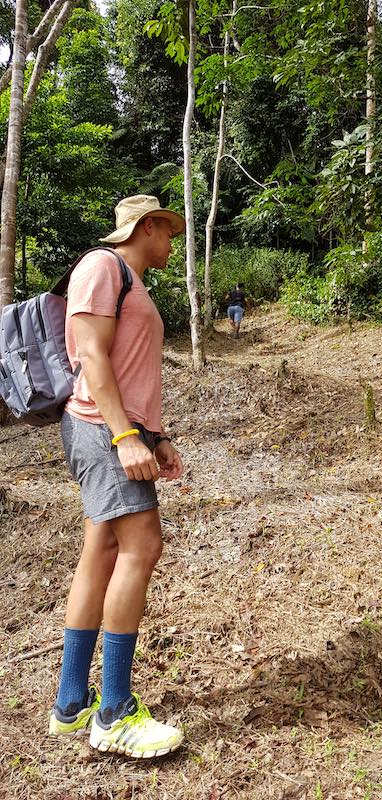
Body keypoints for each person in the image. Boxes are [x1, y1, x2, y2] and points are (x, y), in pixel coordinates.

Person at [48, 195, 186, 757]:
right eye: (167, 232)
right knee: (142, 547)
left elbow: (128, 370)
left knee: (102, 550)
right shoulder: (102, 267)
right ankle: (114, 712)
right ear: (146, 226)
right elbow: (93, 358)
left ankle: (72, 701)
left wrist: (154, 434)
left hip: (120, 431)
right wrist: (126, 437)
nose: (171, 243)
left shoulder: (128, 277)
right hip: (102, 432)